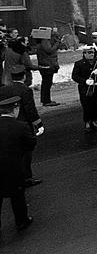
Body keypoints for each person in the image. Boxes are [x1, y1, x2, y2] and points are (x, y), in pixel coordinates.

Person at [0, 66, 43, 187]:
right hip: (23, 125)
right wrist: (38, 123)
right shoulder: (25, 90)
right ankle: (27, 178)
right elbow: (30, 109)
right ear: (24, 76)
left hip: (6, 123)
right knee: (26, 153)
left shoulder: (4, 90)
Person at [0, 96, 35, 233]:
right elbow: (30, 144)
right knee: (17, 196)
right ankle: (22, 221)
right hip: (14, 168)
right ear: (15, 109)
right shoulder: (21, 126)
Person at [71, 45, 97, 133]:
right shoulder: (79, 63)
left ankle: (94, 120)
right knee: (86, 106)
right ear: (84, 54)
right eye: (89, 52)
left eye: (92, 52)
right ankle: (87, 122)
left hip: (96, 87)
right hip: (85, 88)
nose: (91, 54)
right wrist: (85, 81)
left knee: (95, 105)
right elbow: (75, 76)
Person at [35, 32, 60, 106]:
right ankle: (46, 101)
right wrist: (56, 44)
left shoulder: (41, 42)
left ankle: (45, 100)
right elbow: (49, 50)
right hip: (47, 65)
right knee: (47, 83)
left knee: (46, 83)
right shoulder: (45, 41)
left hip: (44, 65)